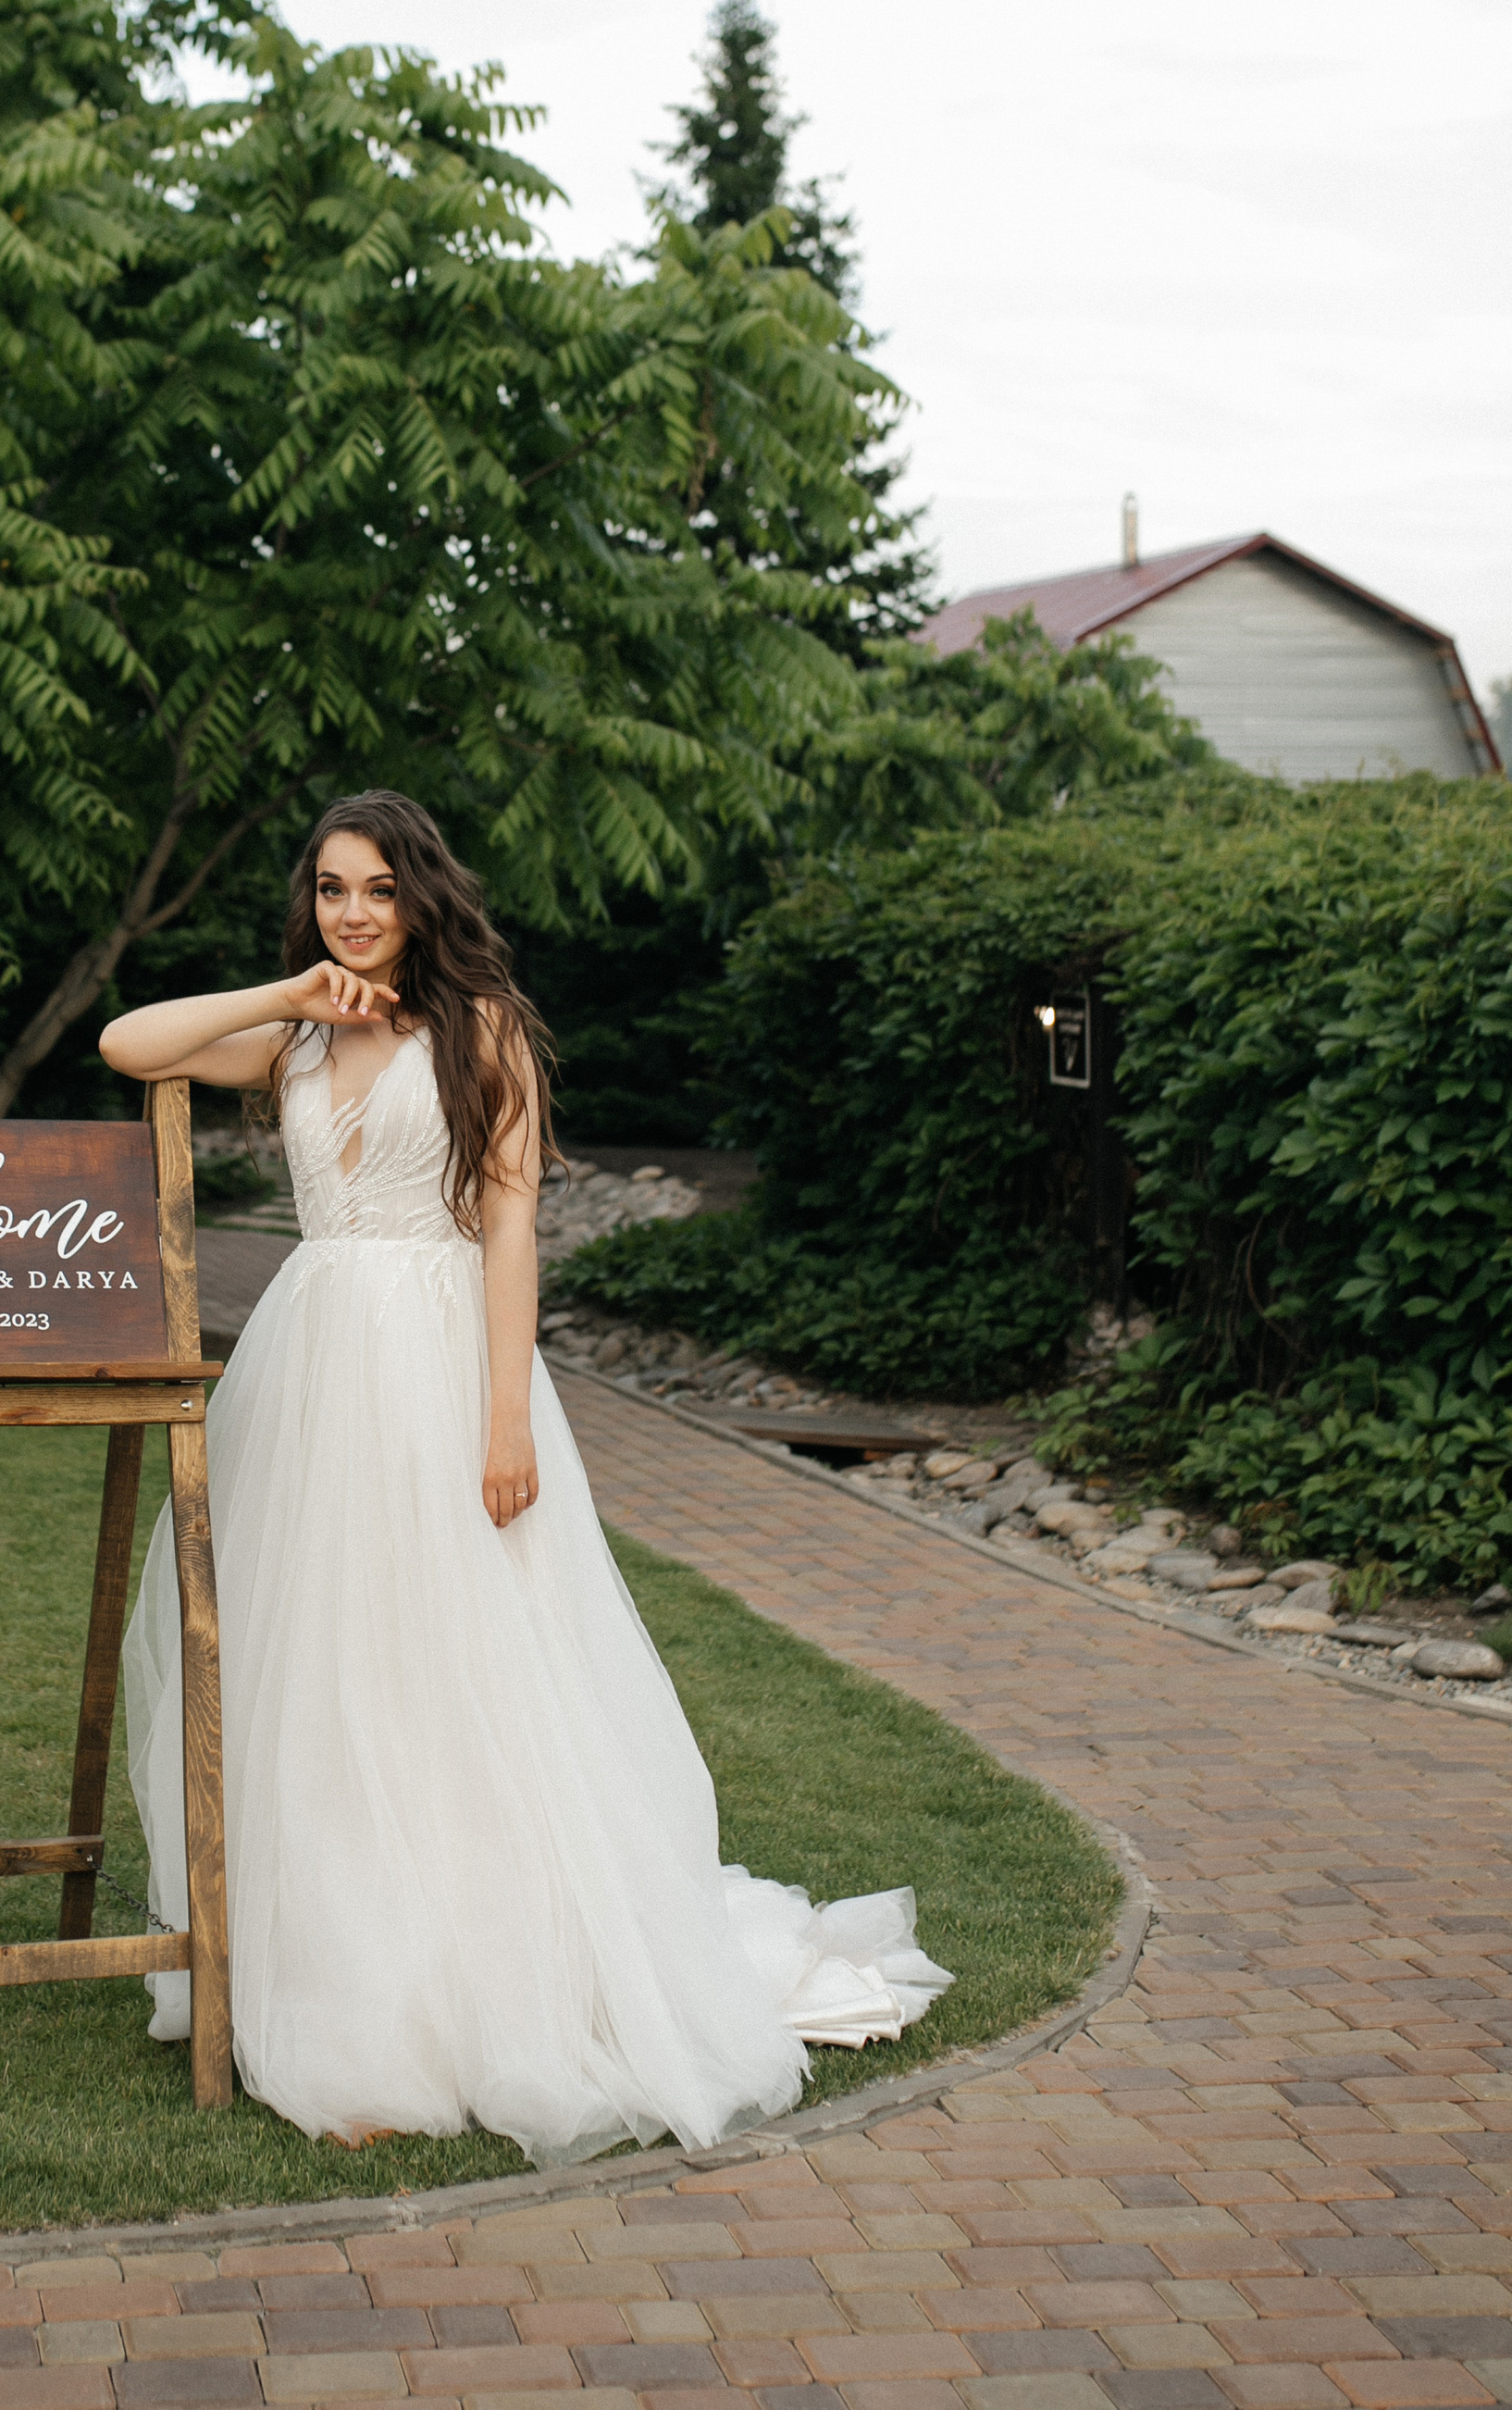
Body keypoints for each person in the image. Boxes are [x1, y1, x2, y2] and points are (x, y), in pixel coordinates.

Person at [101, 789, 947, 2167]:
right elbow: (130, 1044)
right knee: (319, 1675)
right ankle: (343, 1985)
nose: (355, 912)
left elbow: (509, 1231)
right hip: (311, 1376)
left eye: (377, 888)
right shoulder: (298, 1032)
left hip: (440, 1370)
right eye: (330, 889)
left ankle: (482, 1978)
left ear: (423, 895)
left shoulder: (482, 1031)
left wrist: (505, 1419)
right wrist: (292, 987)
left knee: (455, 1673)